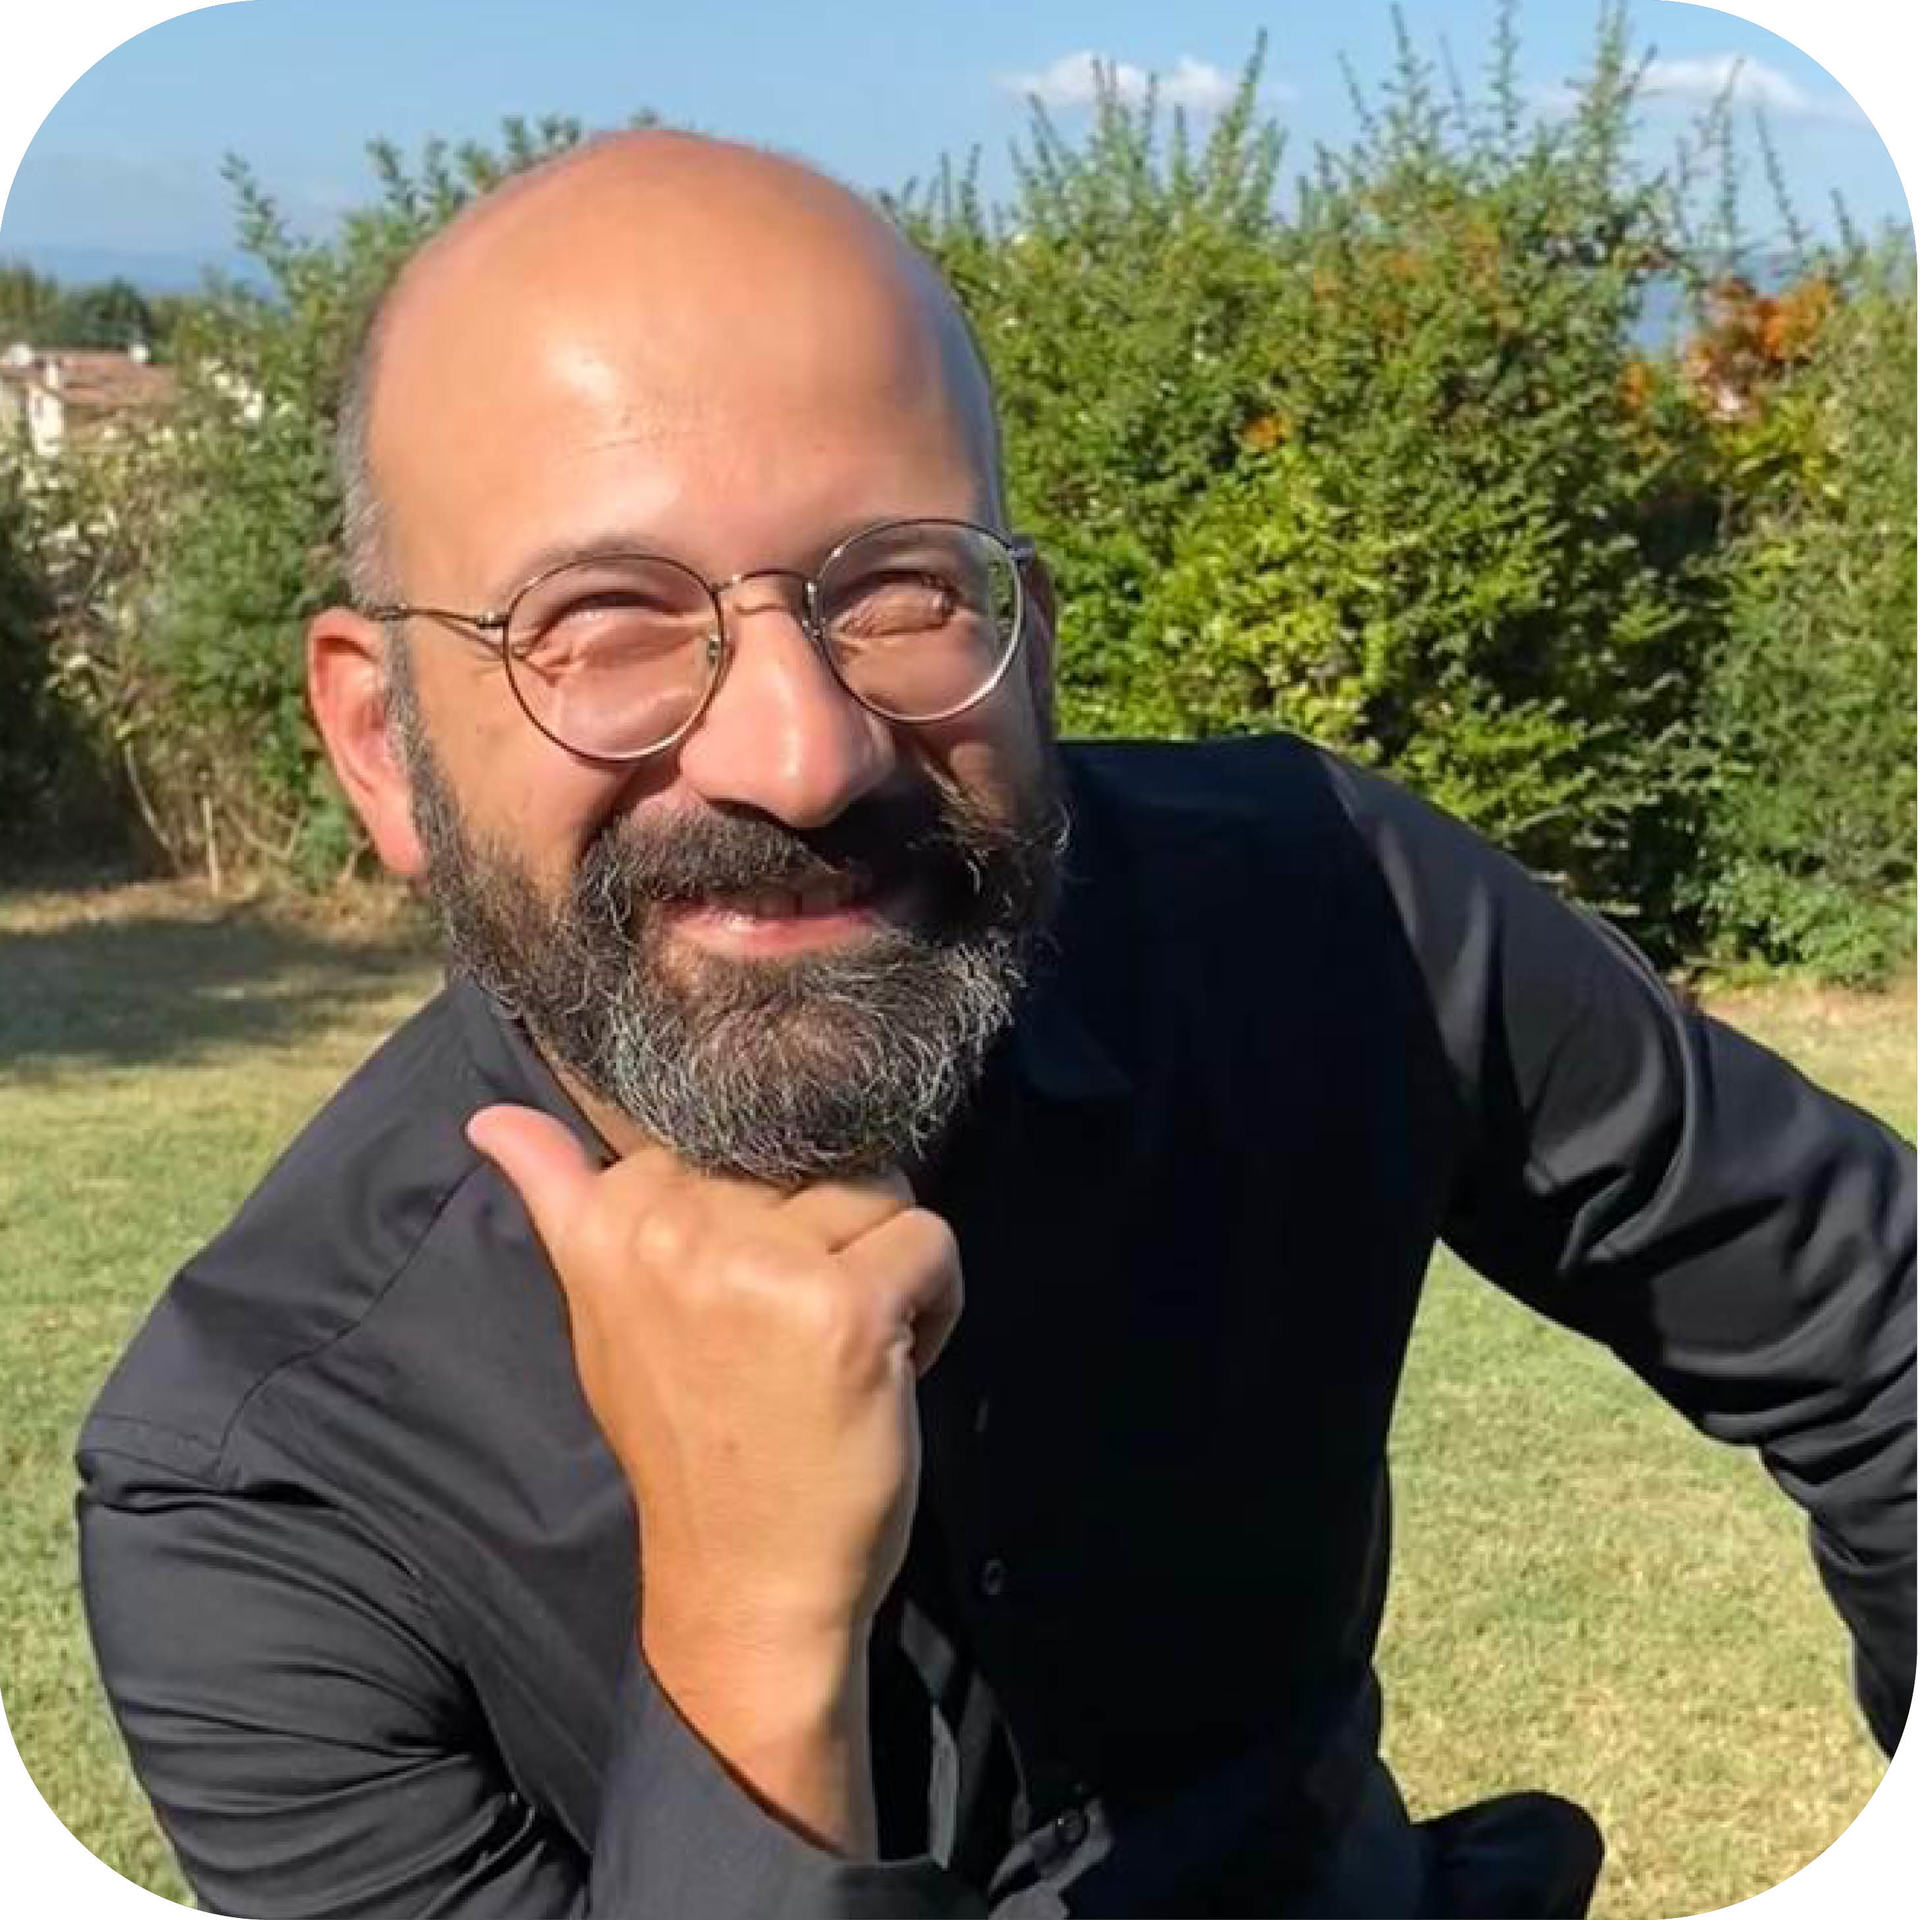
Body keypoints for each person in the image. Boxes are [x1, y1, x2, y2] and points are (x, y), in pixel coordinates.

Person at [77, 131, 1912, 1919]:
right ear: (382, 740)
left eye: (899, 589)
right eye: (607, 620)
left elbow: (1881, 1336)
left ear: (1026, 636)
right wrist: (747, 1631)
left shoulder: (1330, 910)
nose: (802, 755)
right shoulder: (258, 1496)